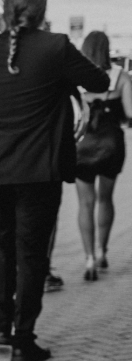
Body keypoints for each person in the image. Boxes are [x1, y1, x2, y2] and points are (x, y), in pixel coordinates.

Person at [0, 0, 108, 361]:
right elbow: (100, 82)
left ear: (7, 10)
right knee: (32, 254)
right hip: (39, 169)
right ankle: (24, 340)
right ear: (41, 12)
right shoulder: (55, 45)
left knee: (2, 245)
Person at [76, 30, 132, 280]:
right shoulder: (121, 77)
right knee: (105, 200)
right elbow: (130, 114)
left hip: (82, 147)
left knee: (85, 203)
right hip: (111, 145)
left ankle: (88, 259)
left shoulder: (76, 78)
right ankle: (101, 252)